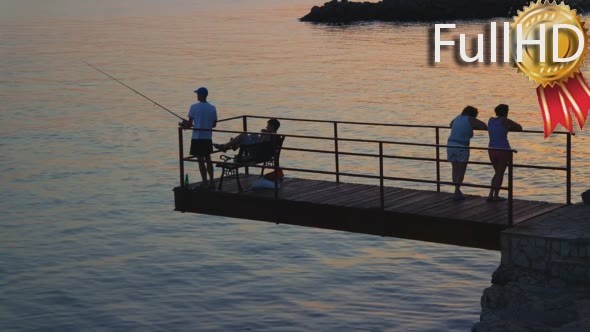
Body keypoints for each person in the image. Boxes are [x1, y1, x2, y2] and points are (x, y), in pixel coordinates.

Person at [447, 106, 488, 201]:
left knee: (455, 169)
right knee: (461, 170)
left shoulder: (457, 117)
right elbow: (484, 126)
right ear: (473, 114)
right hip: (461, 146)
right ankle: (456, 192)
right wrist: (473, 125)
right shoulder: (470, 119)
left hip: (450, 144)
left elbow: (450, 124)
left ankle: (457, 191)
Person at [182, 87, 217, 188]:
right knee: (208, 159)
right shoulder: (212, 107)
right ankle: (212, 182)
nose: (197, 95)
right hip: (207, 137)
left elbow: (189, 123)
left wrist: (185, 124)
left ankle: (205, 182)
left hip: (197, 137)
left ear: (200, 95)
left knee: (201, 161)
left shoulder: (194, 107)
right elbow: (214, 124)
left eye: (197, 94)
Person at [487, 104, 522, 201]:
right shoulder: (505, 121)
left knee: (497, 173)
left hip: (491, 149)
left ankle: (490, 194)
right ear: (506, 112)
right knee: (500, 173)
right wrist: (508, 128)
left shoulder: (490, 120)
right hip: (503, 150)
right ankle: (496, 196)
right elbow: (519, 127)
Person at [214, 118, 281, 152]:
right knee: (252, 135)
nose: (266, 127)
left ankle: (225, 146)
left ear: (272, 126)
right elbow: (263, 142)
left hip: (255, 149)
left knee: (243, 135)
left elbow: (260, 143)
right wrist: (263, 133)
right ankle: (235, 144)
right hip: (261, 148)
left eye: (268, 125)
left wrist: (263, 134)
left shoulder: (269, 136)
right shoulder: (274, 135)